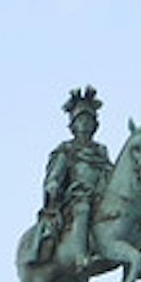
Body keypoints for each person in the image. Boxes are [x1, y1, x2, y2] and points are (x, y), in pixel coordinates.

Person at [27, 85, 113, 270]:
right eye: (81, 120)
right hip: (75, 197)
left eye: (89, 120)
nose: (85, 125)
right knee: (82, 208)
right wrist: (53, 185)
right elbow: (55, 175)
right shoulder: (66, 149)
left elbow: (110, 172)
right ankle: (81, 257)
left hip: (100, 195)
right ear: (73, 125)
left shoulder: (101, 151)